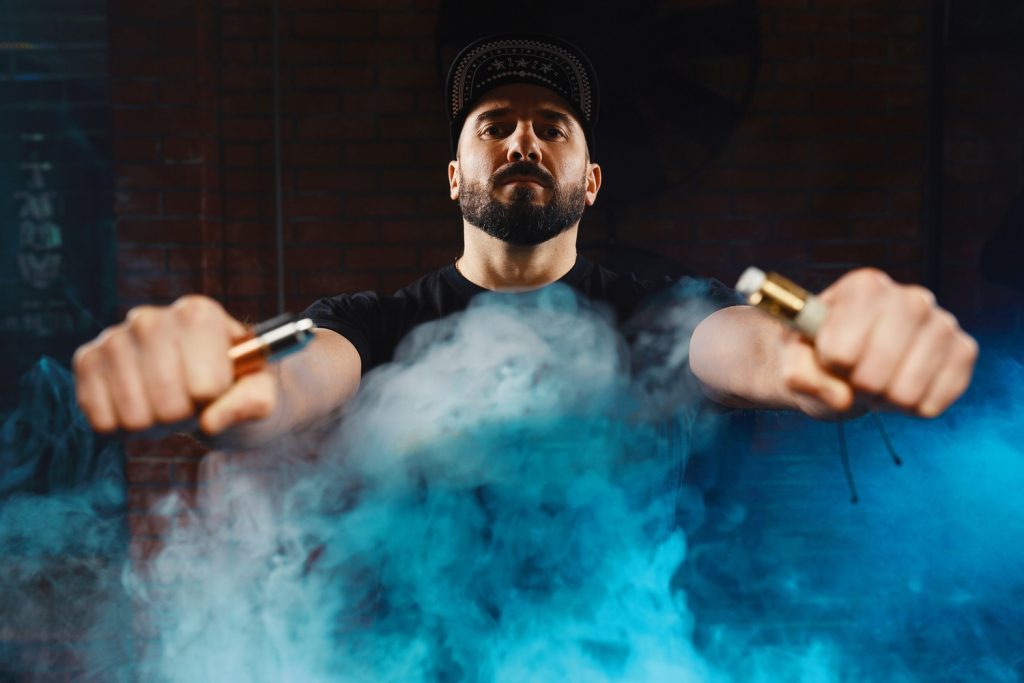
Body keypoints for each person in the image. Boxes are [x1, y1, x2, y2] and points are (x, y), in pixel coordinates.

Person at [72, 34, 978, 444]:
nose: (522, 140)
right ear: (457, 174)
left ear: (590, 181)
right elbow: (298, 376)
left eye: (552, 125)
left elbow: (731, 342)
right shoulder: (376, 322)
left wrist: (809, 351)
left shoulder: (653, 307)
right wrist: (223, 380)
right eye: (494, 123)